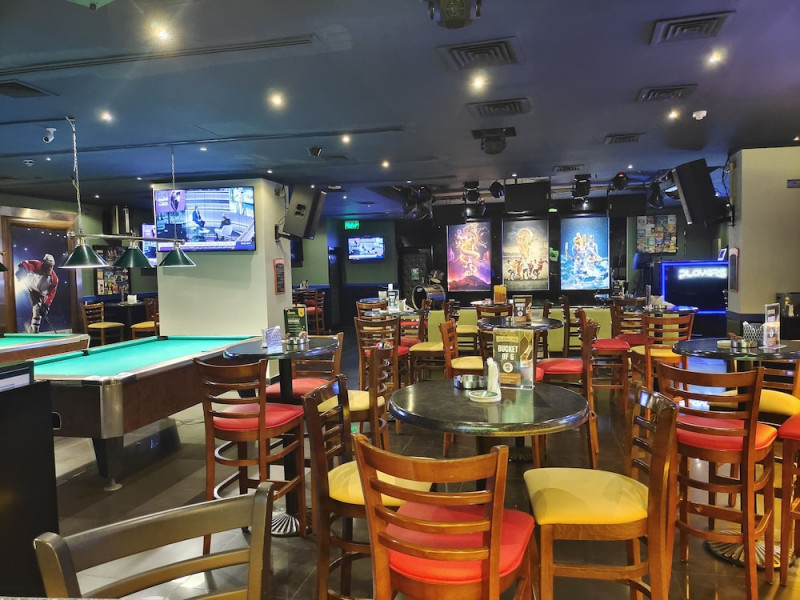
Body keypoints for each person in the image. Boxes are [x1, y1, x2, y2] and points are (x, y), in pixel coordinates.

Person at [17, 254, 58, 333]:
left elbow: (51, 293)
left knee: (38, 310)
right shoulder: (39, 266)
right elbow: (27, 264)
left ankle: (32, 330)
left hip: (42, 295)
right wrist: (22, 269)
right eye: (47, 266)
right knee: (37, 308)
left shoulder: (54, 279)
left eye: (51, 266)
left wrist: (46, 305)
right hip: (32, 290)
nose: (49, 268)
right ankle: (34, 331)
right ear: (44, 264)